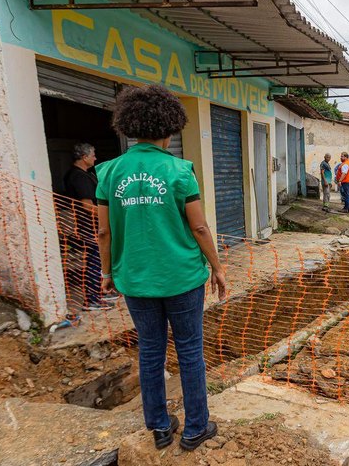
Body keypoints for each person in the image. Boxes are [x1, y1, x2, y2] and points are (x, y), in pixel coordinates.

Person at [96, 84, 226, 452]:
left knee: (150, 352)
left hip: (135, 280)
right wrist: (217, 267)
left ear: (130, 126)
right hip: (182, 278)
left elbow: (103, 231)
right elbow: (199, 227)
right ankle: (195, 428)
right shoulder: (180, 171)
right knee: (189, 352)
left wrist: (107, 273)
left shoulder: (108, 173)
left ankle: (159, 427)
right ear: (170, 126)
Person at [63, 143, 116, 311]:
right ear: (84, 157)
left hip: (90, 226)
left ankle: (101, 291)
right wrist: (109, 216)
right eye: (93, 155)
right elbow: (87, 206)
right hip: (88, 227)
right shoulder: (79, 177)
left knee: (99, 260)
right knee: (95, 261)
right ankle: (92, 299)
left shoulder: (84, 174)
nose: (95, 158)